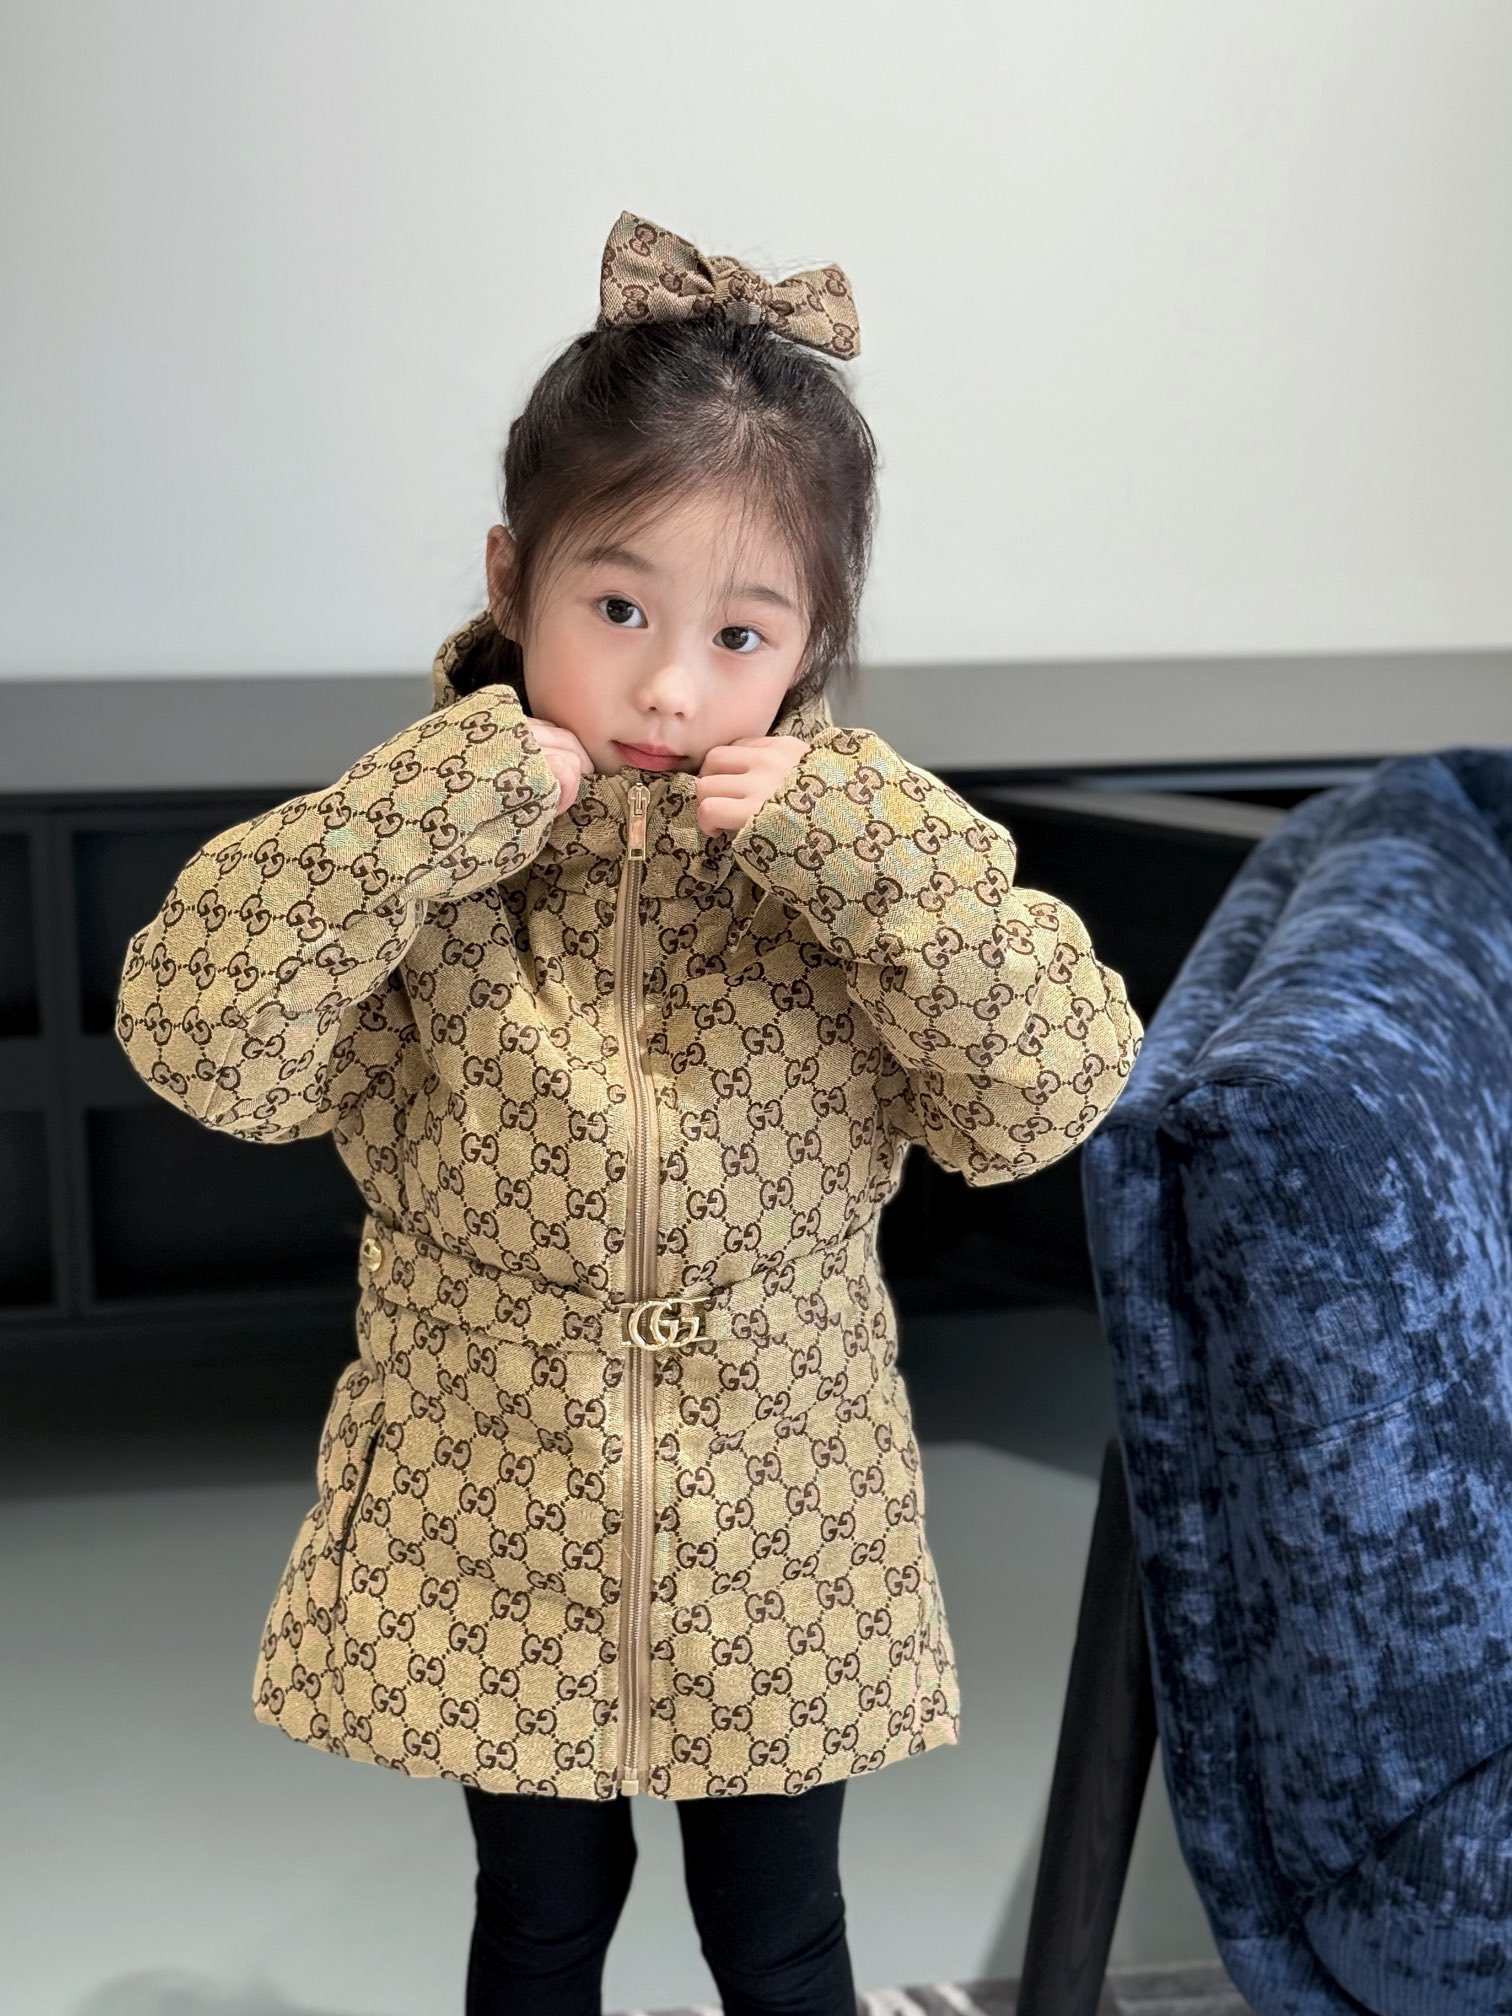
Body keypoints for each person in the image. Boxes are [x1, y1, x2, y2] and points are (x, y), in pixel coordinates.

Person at [114, 208, 1144, 2016]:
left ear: (812, 644)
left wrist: (862, 855)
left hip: (782, 1514)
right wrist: (427, 813)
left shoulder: (863, 852)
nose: (670, 685)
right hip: (496, 1498)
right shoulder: (424, 854)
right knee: (537, 1916)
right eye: (616, 610)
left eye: (741, 631)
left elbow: (1044, 1095)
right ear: (511, 580)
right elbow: (201, 1042)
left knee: (782, 1928)